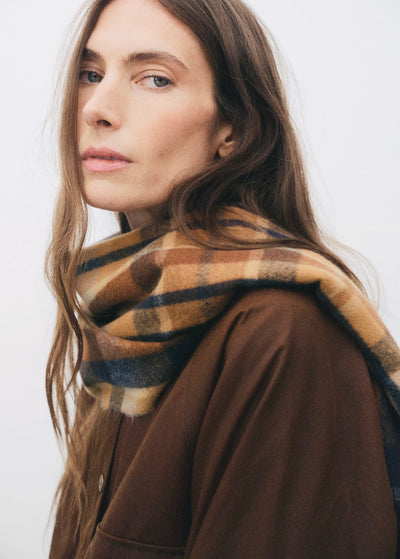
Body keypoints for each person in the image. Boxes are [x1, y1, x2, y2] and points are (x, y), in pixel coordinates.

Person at [46, 0, 400, 557]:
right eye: (91, 73)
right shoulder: (131, 319)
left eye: (155, 79)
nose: (97, 107)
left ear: (232, 130)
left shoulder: (280, 332)